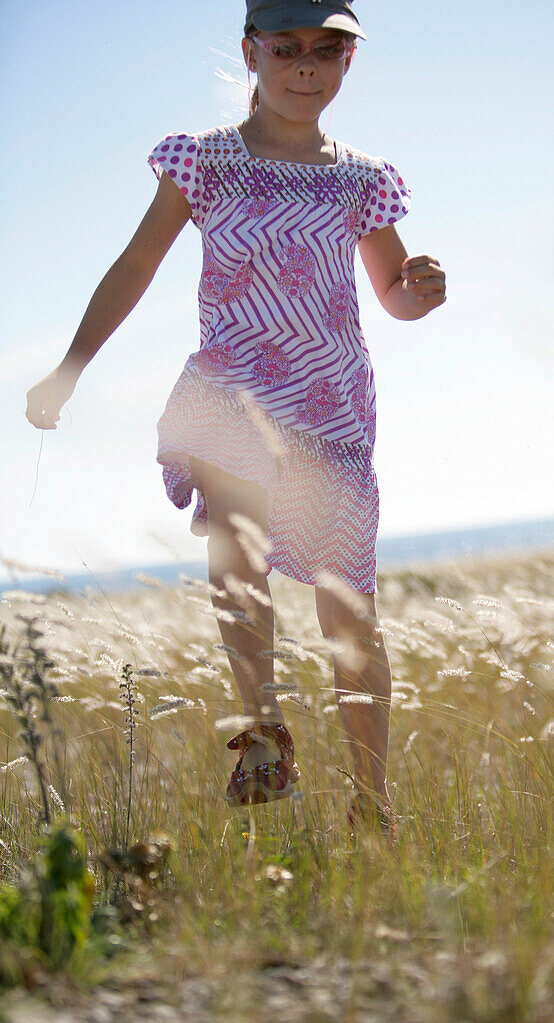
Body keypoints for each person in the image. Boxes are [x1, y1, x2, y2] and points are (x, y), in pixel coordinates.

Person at [25, 0, 446, 825]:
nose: (303, 67)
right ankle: (264, 730)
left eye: (325, 51)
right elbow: (137, 264)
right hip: (231, 390)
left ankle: (372, 798)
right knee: (236, 547)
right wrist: (70, 368)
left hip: (332, 407)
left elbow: (392, 296)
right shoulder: (204, 161)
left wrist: (419, 292)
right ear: (250, 53)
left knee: (347, 608)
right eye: (284, 49)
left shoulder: (364, 178)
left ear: (347, 62)